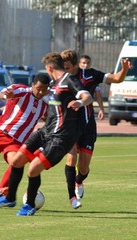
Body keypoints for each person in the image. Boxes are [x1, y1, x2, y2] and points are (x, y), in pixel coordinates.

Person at [0, 51, 93, 215]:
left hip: (61, 137)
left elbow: (87, 96)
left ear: (50, 68)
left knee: (33, 169)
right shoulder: (53, 84)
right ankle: (9, 198)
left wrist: (80, 102)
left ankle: (29, 205)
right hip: (45, 131)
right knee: (16, 161)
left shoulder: (69, 81)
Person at [61, 49, 131, 207]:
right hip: (69, 126)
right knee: (71, 158)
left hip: (87, 127)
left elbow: (116, 79)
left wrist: (124, 70)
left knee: (84, 168)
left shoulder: (90, 75)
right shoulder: (61, 78)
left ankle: (79, 180)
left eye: (67, 67)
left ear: (74, 65)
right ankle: (72, 198)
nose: (64, 70)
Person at [79, 55, 105, 120]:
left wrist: (101, 109)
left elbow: (98, 94)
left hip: (88, 107)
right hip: (75, 107)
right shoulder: (73, 75)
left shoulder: (93, 75)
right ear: (79, 63)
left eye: (88, 63)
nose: (86, 65)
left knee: (89, 127)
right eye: (84, 63)